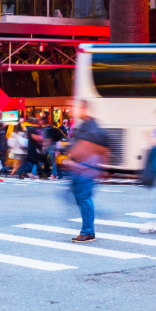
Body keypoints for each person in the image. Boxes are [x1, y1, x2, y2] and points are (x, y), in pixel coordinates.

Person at [63, 100, 109, 243]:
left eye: (74, 107)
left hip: (86, 170)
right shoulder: (85, 125)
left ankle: (88, 232)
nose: (71, 110)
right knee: (77, 197)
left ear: (82, 109)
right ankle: (90, 228)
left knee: (84, 199)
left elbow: (94, 147)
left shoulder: (91, 127)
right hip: (81, 169)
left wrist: (104, 167)